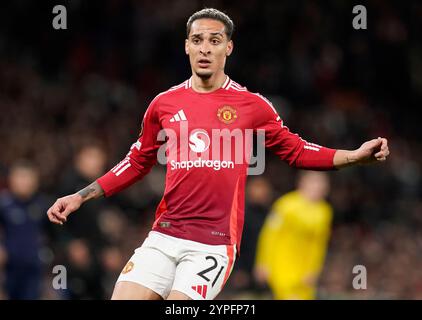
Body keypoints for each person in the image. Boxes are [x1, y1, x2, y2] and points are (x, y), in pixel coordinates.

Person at [46, 8, 390, 300]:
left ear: (228, 47)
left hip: (211, 245)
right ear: (186, 47)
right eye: (197, 40)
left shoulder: (253, 106)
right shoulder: (163, 104)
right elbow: (137, 161)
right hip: (164, 235)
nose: (205, 49)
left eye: (214, 41)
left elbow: (297, 150)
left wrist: (354, 156)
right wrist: (80, 196)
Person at [254, 171, 332, 300]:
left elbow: (320, 244)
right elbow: (269, 235)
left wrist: (314, 270)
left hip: (305, 271)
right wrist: (262, 262)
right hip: (282, 265)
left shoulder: (324, 212)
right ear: (302, 184)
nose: (317, 187)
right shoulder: (286, 205)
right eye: (313, 183)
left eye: (321, 184)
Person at [0, 160, 50, 299]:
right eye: (20, 177)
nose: (24, 182)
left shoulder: (43, 205)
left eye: (28, 177)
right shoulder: (4, 204)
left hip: (34, 267)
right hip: (8, 268)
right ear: (11, 179)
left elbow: (54, 234)